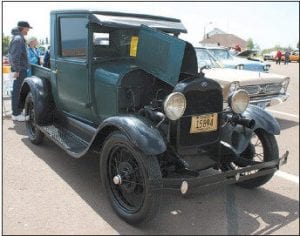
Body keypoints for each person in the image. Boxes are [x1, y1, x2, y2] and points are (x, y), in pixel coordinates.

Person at [8, 21, 32, 121]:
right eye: (27, 28)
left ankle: (16, 111)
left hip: (19, 69)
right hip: (19, 70)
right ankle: (16, 114)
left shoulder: (18, 38)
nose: (28, 30)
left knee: (17, 91)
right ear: (23, 28)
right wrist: (17, 70)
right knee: (18, 91)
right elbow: (14, 57)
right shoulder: (18, 39)